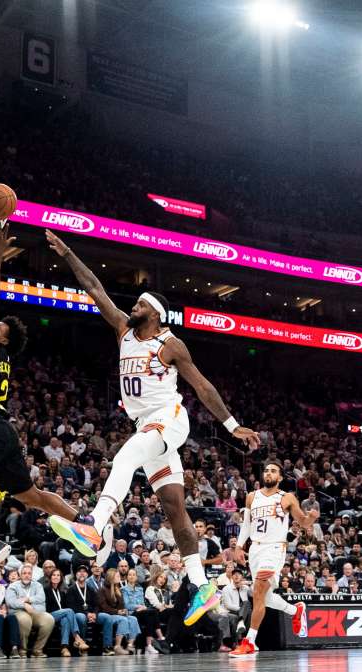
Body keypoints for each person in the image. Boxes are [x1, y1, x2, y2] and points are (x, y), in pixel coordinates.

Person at [45, 230, 261, 626]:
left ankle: (93, 525)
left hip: (170, 419)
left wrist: (232, 426)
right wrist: (68, 253)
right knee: (174, 508)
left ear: (154, 312)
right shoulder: (123, 330)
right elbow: (93, 287)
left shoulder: (170, 344)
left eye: (141, 302)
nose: (134, 305)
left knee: (125, 455)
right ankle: (201, 585)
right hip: (148, 425)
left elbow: (203, 386)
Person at [0, 230, 101, 585]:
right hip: (4, 433)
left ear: (3, 337)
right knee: (31, 496)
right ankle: (85, 524)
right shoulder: (2, 358)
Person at [230, 461, 319, 658]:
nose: (268, 473)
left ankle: (250, 641)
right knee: (264, 597)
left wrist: (311, 518)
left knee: (259, 589)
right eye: (266, 470)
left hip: (275, 548)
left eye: (273, 471)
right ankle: (294, 611)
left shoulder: (286, 497)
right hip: (255, 549)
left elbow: (303, 522)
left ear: (279, 477)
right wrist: (238, 546)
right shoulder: (252, 497)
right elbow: (246, 524)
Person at [7, 563, 55, 657]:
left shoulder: (38, 585)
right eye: (24, 573)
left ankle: (37, 650)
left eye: (29, 573)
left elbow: (41, 599)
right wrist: (24, 605)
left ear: (32, 575)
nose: (27, 575)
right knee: (25, 619)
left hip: (35, 612)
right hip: (19, 612)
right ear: (20, 575)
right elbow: (11, 602)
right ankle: (22, 650)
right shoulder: (13, 586)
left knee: (49, 619)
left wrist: (28, 600)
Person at [44, 566, 88, 656]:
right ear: (50, 577)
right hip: (49, 616)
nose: (56, 577)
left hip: (61, 616)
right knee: (69, 611)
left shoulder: (61, 592)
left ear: (61, 578)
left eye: (58, 575)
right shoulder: (46, 590)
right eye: (54, 575)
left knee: (66, 620)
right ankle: (77, 637)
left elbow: (64, 607)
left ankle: (64, 648)